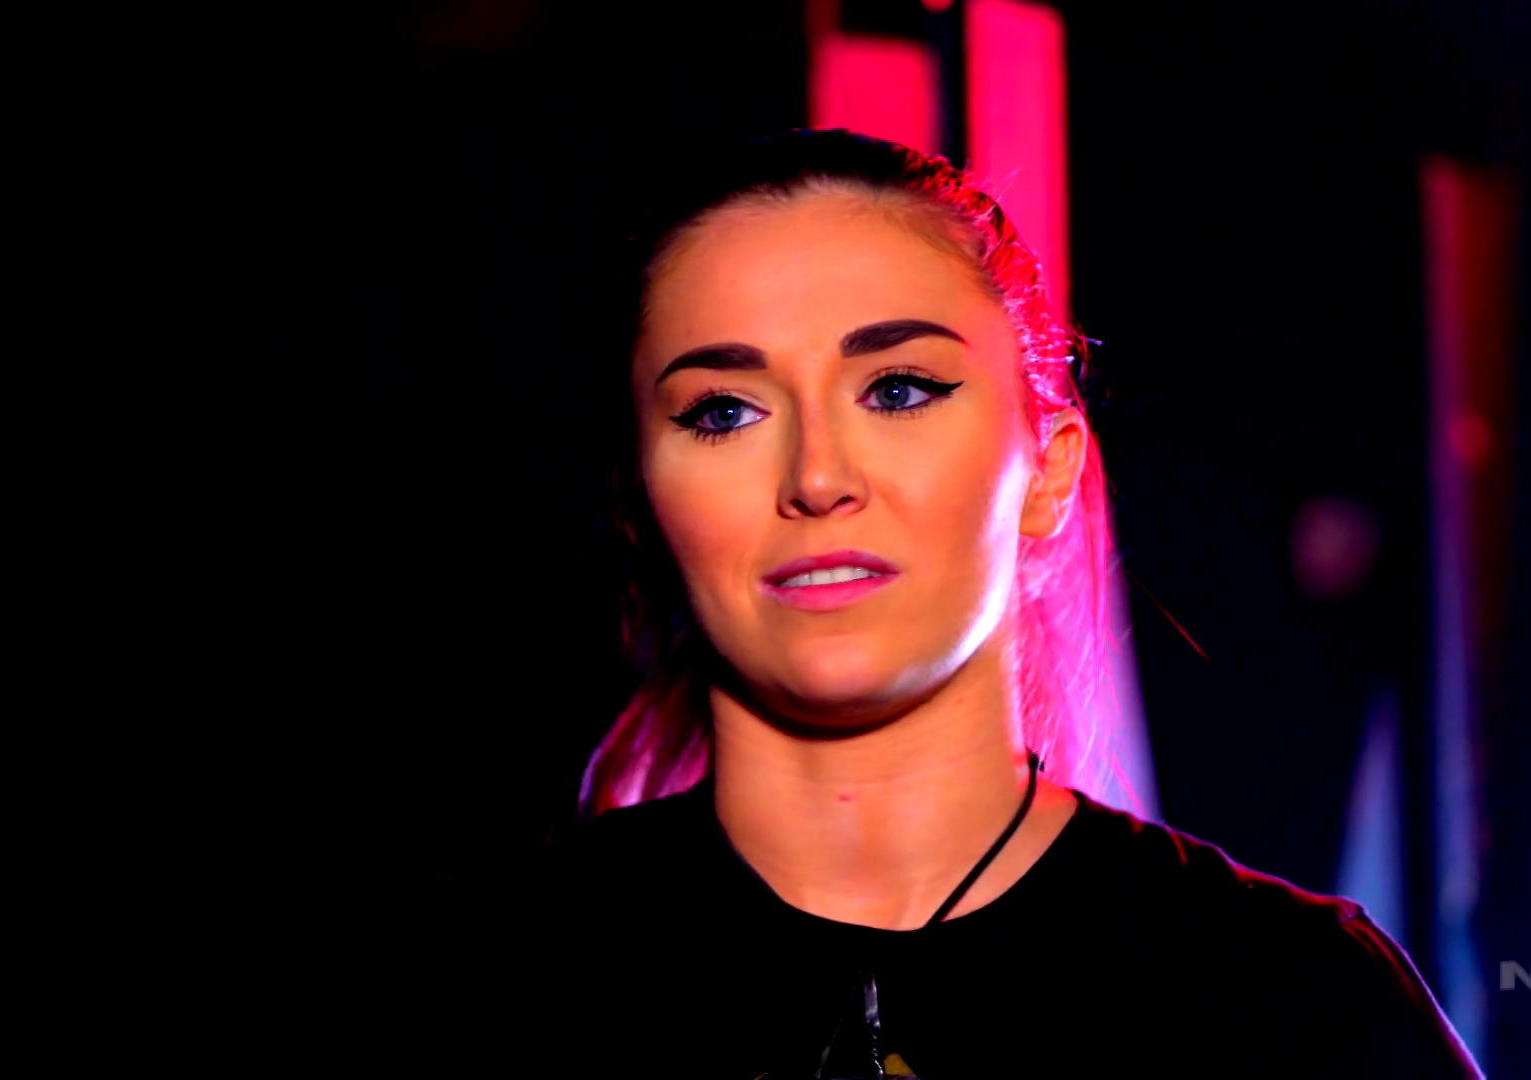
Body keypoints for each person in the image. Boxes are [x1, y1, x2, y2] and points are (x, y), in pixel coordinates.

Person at [519, 129, 1482, 1079]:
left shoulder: (1295, 1003)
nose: (816, 477)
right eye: (724, 411)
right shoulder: (493, 983)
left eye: (898, 391)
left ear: (1048, 472)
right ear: (639, 503)